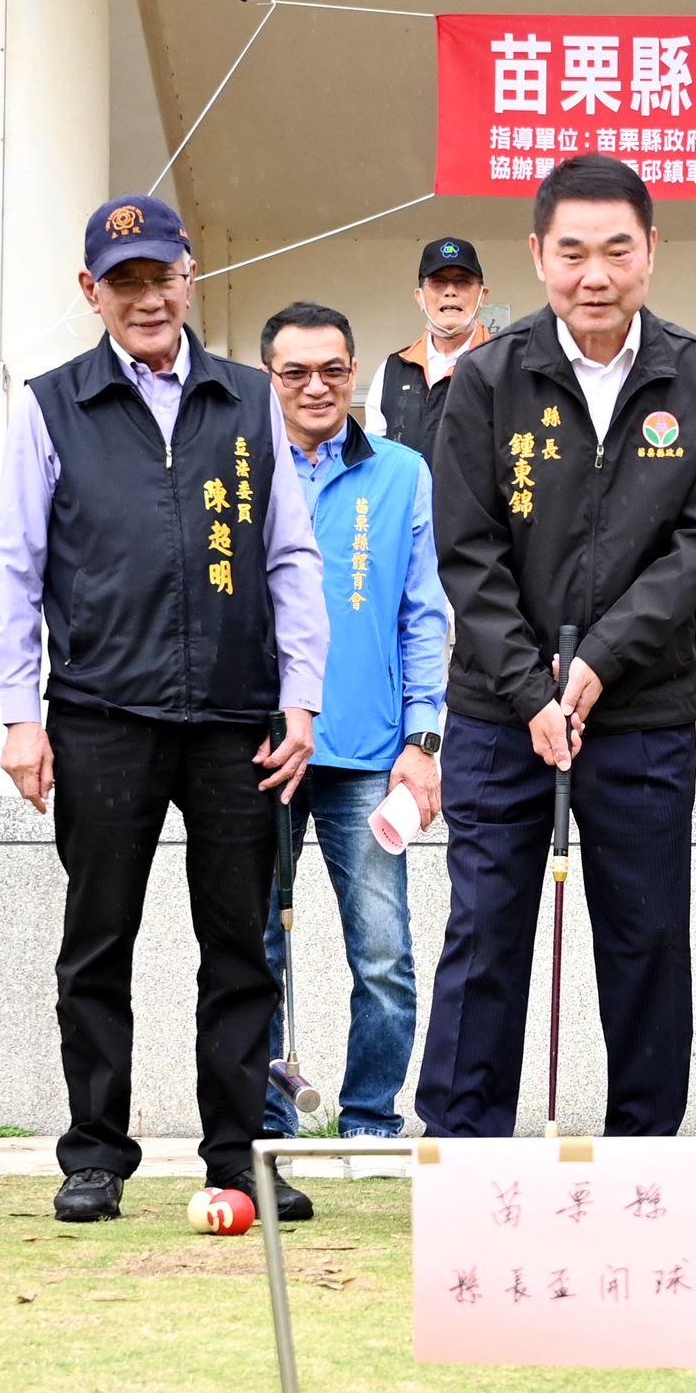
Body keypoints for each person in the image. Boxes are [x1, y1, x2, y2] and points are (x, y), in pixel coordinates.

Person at [0, 193, 326, 1225]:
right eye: (123, 280)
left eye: (161, 276)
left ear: (190, 281)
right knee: (98, 941)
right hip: (99, 713)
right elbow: (14, 566)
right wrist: (18, 712)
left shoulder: (246, 397)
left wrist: (300, 700)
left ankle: (240, 1156)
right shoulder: (53, 405)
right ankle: (95, 1154)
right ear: (91, 292)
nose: (146, 298)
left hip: (235, 722)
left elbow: (291, 555)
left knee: (241, 945)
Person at [418, 155, 696, 1139]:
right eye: (572, 253)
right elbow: (465, 553)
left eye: (616, 250)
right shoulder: (486, 377)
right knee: (484, 936)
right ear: (537, 256)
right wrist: (532, 688)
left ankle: (646, 1154)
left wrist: (596, 663)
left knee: (646, 937)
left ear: (651, 250)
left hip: (639, 714)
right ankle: (461, 1148)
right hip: (496, 714)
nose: (593, 275)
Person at [257, 301, 450, 1168]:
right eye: (294, 371)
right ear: (270, 378)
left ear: (356, 371)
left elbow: (423, 614)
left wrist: (423, 738)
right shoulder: (240, 466)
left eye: (332, 369)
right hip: (262, 750)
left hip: (369, 754)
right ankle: (269, 1119)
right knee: (253, 947)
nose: (315, 386)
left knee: (383, 953)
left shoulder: (403, 473)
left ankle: (371, 1119)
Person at [362, 238, 493, 456]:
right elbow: (375, 453)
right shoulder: (393, 369)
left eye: (462, 282)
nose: (450, 292)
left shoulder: (504, 365)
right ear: (420, 298)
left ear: (482, 297)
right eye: (438, 283)